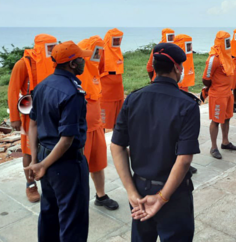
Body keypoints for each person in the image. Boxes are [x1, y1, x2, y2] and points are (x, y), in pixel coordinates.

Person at [111, 43, 200, 241]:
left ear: (153, 67)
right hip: (174, 193)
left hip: (139, 191)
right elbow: (184, 160)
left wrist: (131, 191)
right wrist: (161, 198)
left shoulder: (133, 99)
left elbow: (117, 146)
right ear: (177, 68)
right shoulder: (187, 104)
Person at [24, 41, 92, 241]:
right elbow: (67, 139)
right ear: (72, 64)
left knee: (49, 213)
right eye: (81, 58)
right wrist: (43, 164)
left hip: (45, 156)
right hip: (66, 162)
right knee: (73, 221)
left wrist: (36, 161)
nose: (83, 61)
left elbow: (33, 125)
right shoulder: (73, 93)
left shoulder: (42, 85)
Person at [7, 34, 57, 203]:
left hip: (51, 113)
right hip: (30, 115)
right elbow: (13, 90)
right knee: (28, 150)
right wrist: (14, 117)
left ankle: (49, 180)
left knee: (50, 145)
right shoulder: (23, 64)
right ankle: (30, 184)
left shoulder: (54, 61)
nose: (52, 51)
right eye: (49, 47)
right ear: (40, 47)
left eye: (53, 47)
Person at [78, 36, 119, 210]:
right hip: (80, 130)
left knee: (98, 164)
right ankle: (75, 202)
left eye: (100, 52)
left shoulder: (94, 70)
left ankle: (100, 196)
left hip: (97, 127)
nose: (99, 56)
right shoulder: (75, 71)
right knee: (78, 168)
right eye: (96, 52)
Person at [203, 31, 236, 160]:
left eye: (228, 41)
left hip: (228, 93)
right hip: (217, 95)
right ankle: (213, 147)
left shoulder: (227, 56)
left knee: (227, 118)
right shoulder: (214, 59)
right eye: (226, 42)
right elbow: (205, 79)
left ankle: (225, 142)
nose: (228, 44)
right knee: (216, 120)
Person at [173, 34, 198, 174]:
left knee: (184, 132)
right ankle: (176, 163)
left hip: (184, 96)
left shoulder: (185, 61)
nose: (190, 49)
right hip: (176, 98)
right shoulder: (172, 62)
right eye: (187, 46)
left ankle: (184, 163)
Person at [99, 28, 125, 130]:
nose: (117, 42)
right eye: (115, 39)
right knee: (104, 122)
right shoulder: (101, 52)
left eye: (119, 39)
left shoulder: (118, 51)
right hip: (106, 93)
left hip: (118, 92)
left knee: (118, 120)